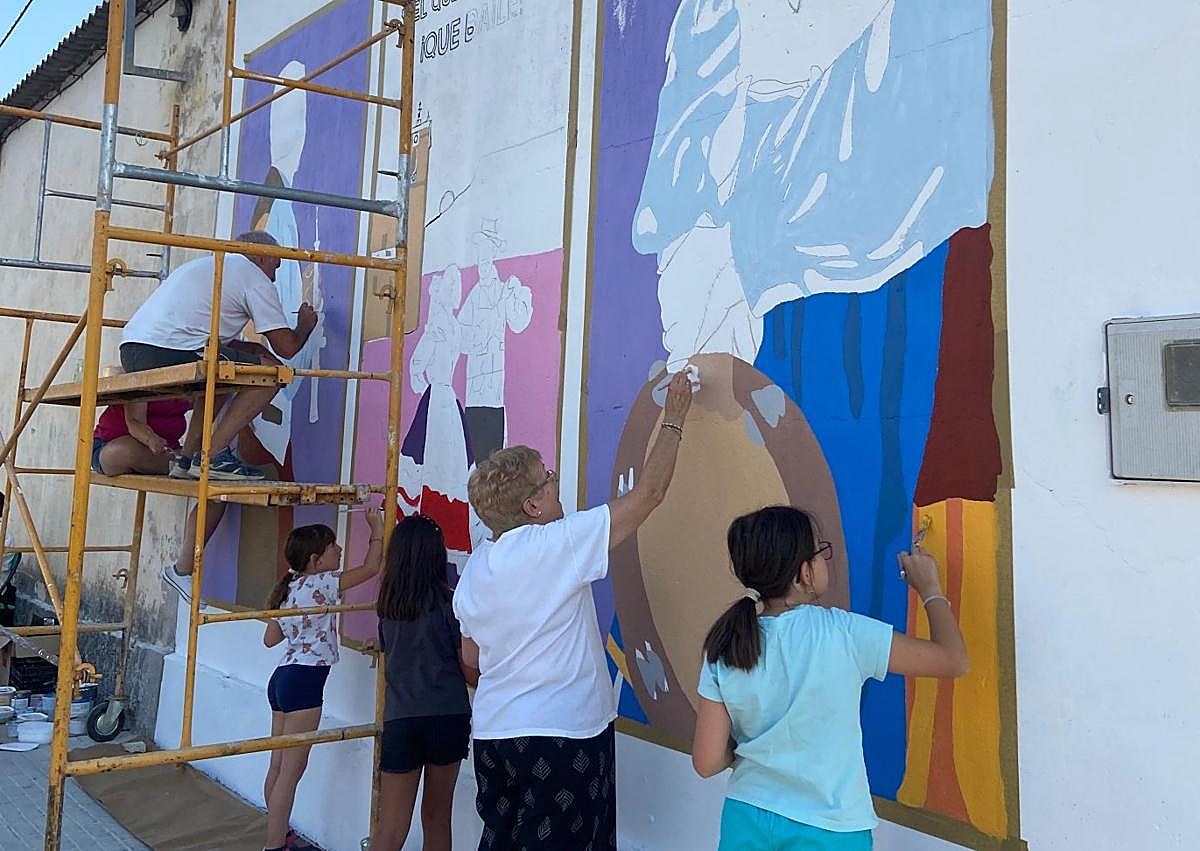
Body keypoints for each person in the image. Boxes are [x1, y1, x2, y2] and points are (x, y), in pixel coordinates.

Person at [452, 370, 694, 851]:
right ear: (532, 505)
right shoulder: (556, 546)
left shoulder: (477, 570)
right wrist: (675, 419)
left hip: (495, 736)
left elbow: (472, 660)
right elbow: (648, 496)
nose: (555, 483)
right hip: (563, 738)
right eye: (548, 480)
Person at [691, 506, 970, 850]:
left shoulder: (726, 644)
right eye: (820, 552)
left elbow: (706, 762)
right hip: (831, 828)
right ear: (803, 574)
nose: (826, 559)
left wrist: (761, 750)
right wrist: (930, 588)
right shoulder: (843, 633)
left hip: (747, 814)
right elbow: (953, 660)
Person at [119, 229, 318, 483]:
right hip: (172, 349)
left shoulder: (211, 265)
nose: (274, 277)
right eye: (275, 266)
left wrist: (252, 350)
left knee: (225, 374)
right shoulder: (253, 276)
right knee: (271, 375)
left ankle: (187, 459)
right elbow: (286, 348)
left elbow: (198, 325)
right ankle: (212, 457)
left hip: (135, 350)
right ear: (261, 257)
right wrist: (304, 326)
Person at [260, 510, 384, 851]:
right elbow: (372, 567)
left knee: (277, 764)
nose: (340, 550)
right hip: (305, 681)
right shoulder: (323, 583)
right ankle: (274, 845)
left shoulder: (289, 586)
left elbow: (270, 639)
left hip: (282, 679)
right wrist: (376, 529)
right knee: (292, 771)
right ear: (316, 560)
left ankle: (277, 832)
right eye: (333, 547)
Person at [374, 514, 476, 851]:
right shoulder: (450, 603)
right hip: (448, 715)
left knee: (390, 830)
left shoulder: (388, 607)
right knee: (436, 818)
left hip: (402, 718)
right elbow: (469, 669)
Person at [91, 395, 226, 603]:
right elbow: (134, 423)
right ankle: (184, 463)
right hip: (113, 447)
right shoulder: (147, 368)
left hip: (165, 456)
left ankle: (182, 570)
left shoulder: (193, 382)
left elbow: (207, 402)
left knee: (219, 493)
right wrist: (151, 440)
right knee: (125, 450)